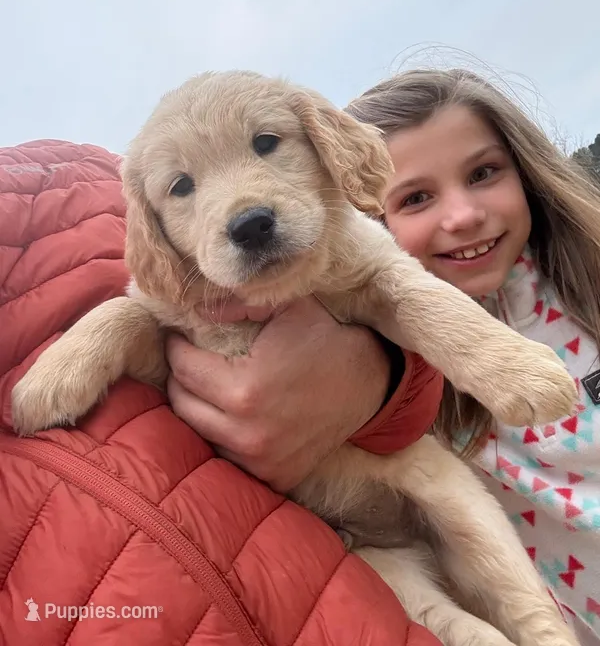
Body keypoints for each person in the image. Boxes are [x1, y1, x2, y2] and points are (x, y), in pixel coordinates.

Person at [169, 66, 600, 645]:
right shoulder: (383, 342)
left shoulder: (587, 283)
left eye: (484, 173)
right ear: (362, 210)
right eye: (417, 197)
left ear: (526, 171)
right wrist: (380, 378)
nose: (462, 215)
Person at [0, 138, 444, 645]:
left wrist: (380, 381)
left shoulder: (73, 176)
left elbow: (379, 286)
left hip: (375, 567)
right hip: (335, 584)